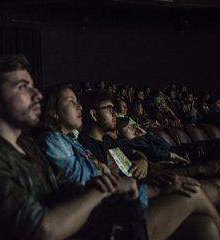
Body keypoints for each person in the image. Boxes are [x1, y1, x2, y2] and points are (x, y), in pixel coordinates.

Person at [0, 54, 141, 240]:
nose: (37, 95)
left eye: (33, 86)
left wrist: (101, 186)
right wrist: (100, 192)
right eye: (23, 87)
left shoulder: (27, 145)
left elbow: (64, 187)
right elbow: (41, 229)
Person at [78, 90, 220, 239]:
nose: (115, 114)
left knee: (205, 224)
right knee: (199, 192)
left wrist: (142, 161)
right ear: (94, 114)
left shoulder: (108, 140)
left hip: (147, 182)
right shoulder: (85, 147)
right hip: (133, 199)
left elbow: (136, 153)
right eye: (109, 109)